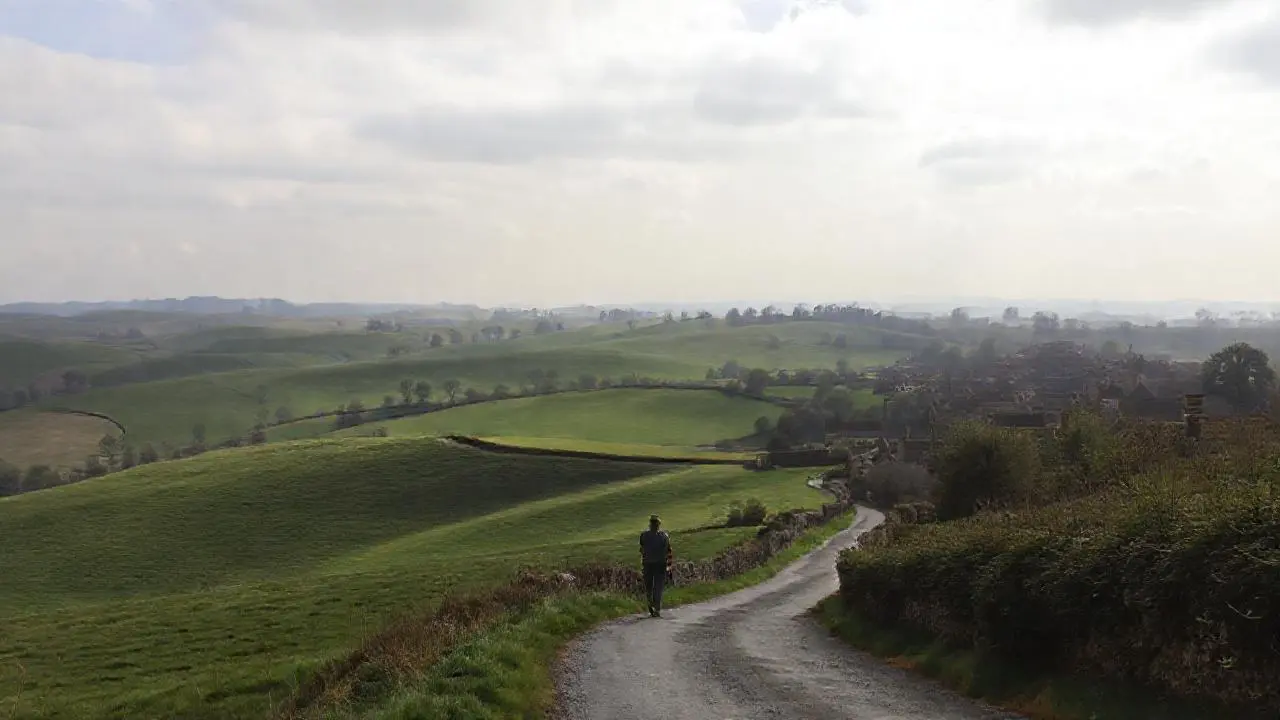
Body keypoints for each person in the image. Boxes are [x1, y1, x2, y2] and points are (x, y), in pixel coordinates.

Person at [639, 514, 672, 617]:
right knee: (657, 587)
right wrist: (669, 566)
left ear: (650, 524)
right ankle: (656, 608)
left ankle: (652, 606)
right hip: (659, 564)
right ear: (659, 524)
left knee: (649, 587)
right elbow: (669, 551)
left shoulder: (644, 536)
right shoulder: (664, 536)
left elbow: (642, 549)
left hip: (648, 564)